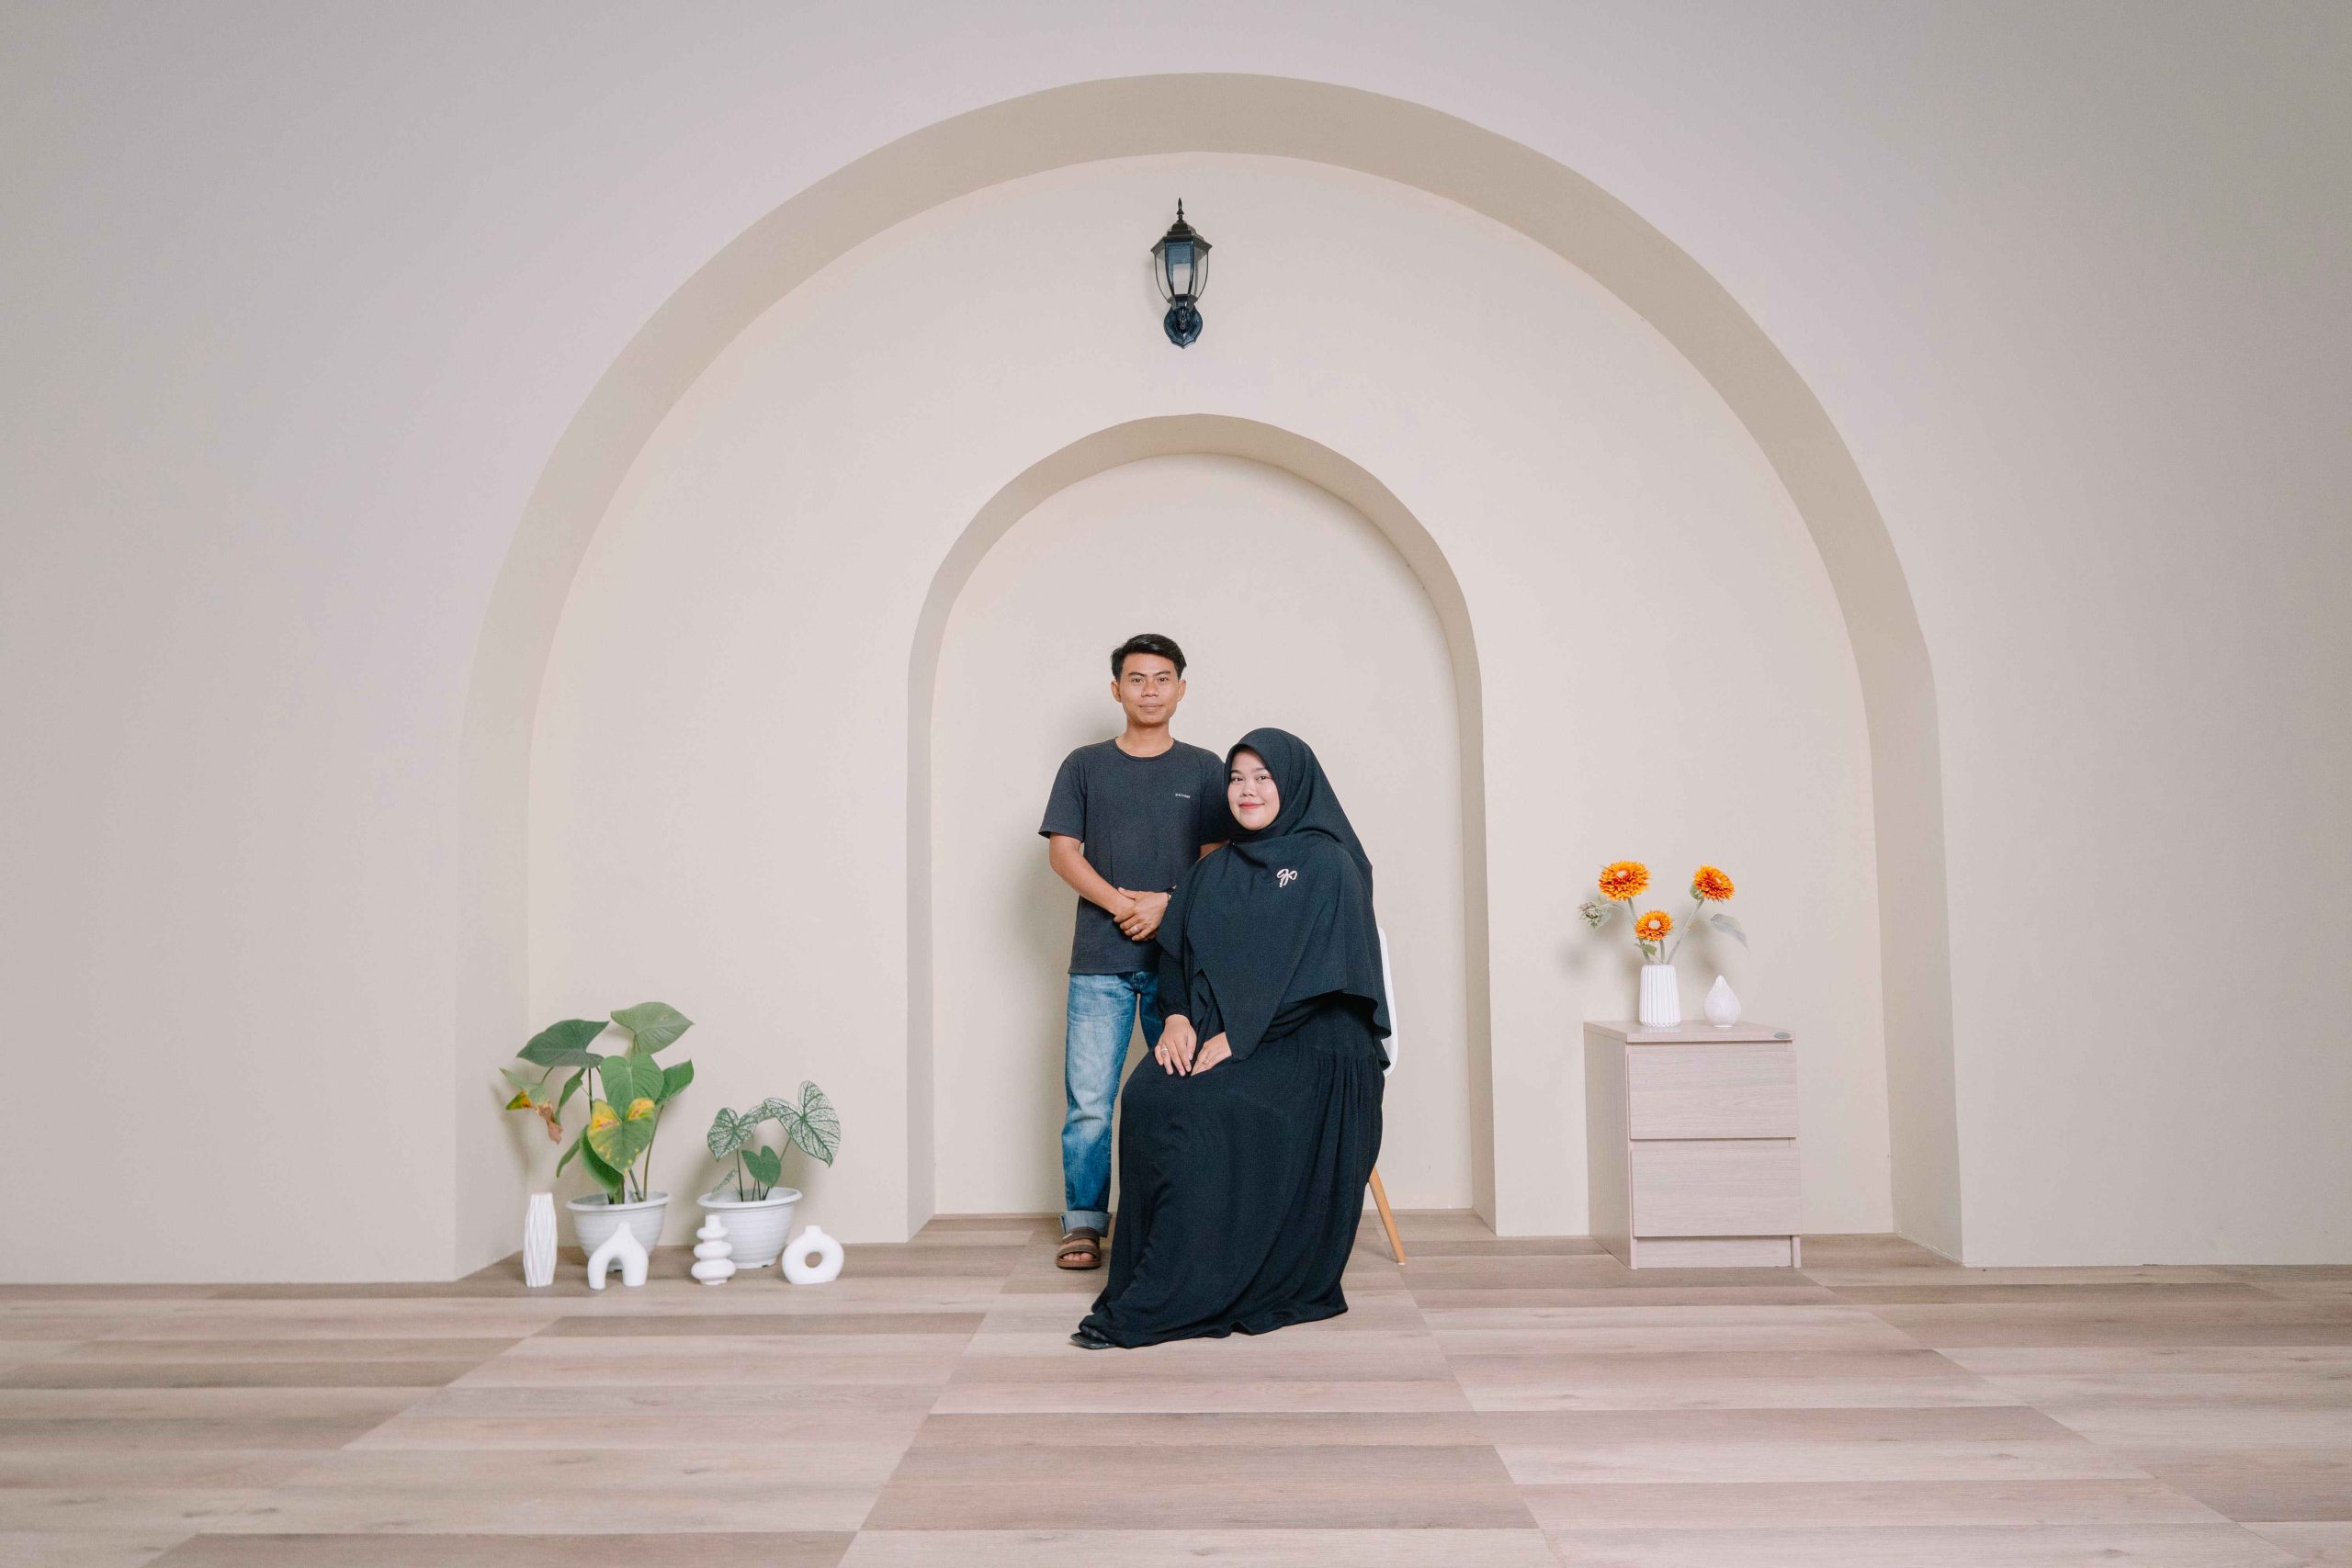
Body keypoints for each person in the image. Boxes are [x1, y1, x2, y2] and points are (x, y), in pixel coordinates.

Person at [1073, 728, 1390, 1348]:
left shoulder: (1330, 863)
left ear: (1293, 783)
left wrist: (1244, 1037)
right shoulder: (1214, 868)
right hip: (1226, 1029)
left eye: (1263, 777)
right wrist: (1178, 1018)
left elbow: (1330, 975)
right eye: (1237, 778)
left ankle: (1196, 1284)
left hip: (1318, 1040)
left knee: (1208, 1104)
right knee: (1148, 1094)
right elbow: (1175, 956)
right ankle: (1156, 1274)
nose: (1248, 790)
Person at [1038, 634, 1228, 1271]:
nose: (1151, 690)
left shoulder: (1205, 768)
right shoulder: (1084, 765)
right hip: (1099, 963)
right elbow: (1063, 853)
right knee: (1090, 1103)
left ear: (1181, 688)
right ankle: (1084, 1223)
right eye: (1138, 679)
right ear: (1117, 689)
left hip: (1179, 967)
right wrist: (1125, 906)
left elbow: (1216, 861)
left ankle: (1177, 1221)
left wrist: (1167, 906)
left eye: (1163, 678)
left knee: (1182, 1098)